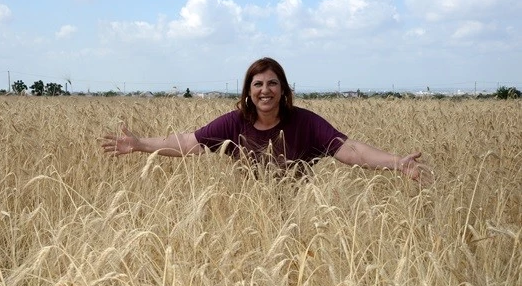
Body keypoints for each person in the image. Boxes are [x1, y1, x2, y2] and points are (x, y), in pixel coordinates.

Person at [102, 57, 431, 183]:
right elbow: (189, 143)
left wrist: (396, 162)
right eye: (257, 84)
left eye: (272, 83)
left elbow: (351, 151)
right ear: (248, 91)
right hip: (246, 219)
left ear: (283, 89)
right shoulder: (233, 124)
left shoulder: (305, 123)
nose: (265, 90)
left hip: (297, 217)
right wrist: (140, 144)